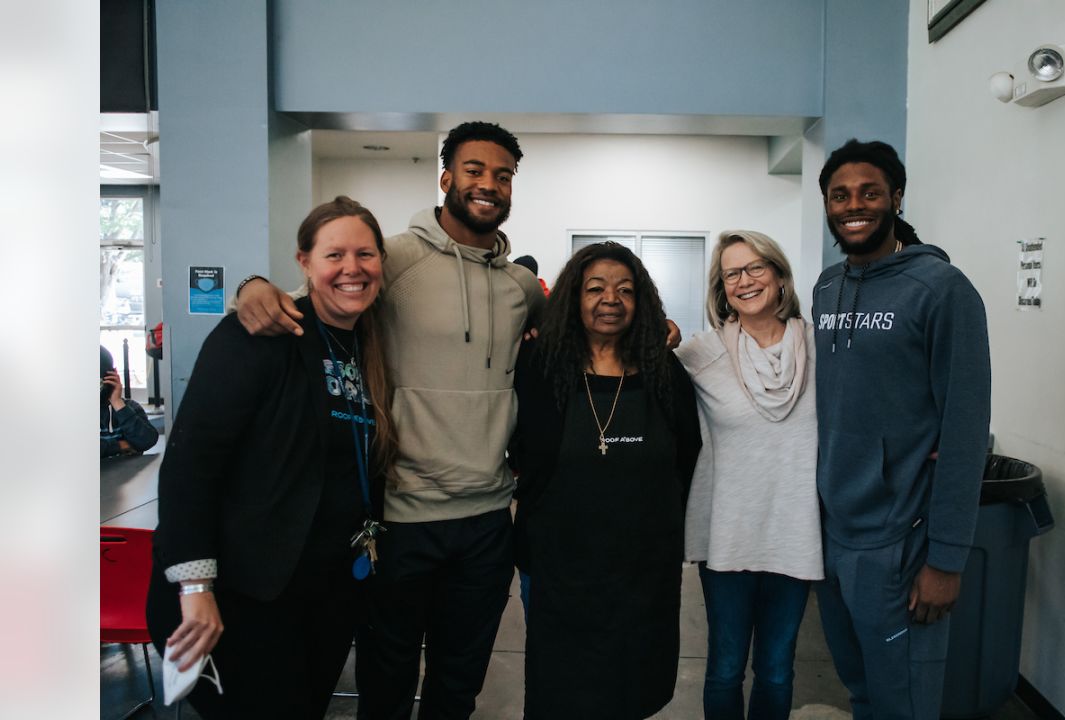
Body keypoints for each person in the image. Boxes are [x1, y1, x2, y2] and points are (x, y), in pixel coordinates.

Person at [233, 121, 545, 719]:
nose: (489, 184)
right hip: (399, 516)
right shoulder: (394, 258)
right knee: (387, 676)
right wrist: (250, 286)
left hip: (486, 520)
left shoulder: (522, 287)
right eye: (475, 170)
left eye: (502, 175)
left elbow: (570, 339)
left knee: (460, 679)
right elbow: (314, 296)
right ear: (446, 177)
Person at [145, 196, 398, 718]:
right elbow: (192, 465)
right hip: (246, 594)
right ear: (304, 262)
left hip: (326, 593)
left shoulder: (367, 346)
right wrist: (196, 586)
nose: (352, 268)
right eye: (335, 255)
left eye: (366, 254)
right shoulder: (258, 334)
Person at [810, 138, 991, 720]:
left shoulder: (942, 289)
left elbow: (965, 430)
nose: (853, 205)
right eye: (840, 195)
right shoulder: (825, 287)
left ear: (896, 198)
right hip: (833, 535)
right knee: (861, 691)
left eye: (869, 192)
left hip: (901, 541)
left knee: (904, 705)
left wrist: (946, 560)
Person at [509, 241, 701, 719]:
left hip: (643, 572)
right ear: (574, 298)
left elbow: (688, 455)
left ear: (642, 303)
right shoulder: (540, 368)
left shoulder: (664, 373)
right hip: (558, 570)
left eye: (624, 290)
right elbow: (520, 453)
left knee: (630, 691)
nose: (610, 299)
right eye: (595, 288)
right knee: (560, 693)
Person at [673, 230, 822, 720]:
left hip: (795, 533)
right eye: (732, 272)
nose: (745, 280)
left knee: (778, 670)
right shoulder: (701, 354)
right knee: (725, 667)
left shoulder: (823, 348)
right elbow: (631, 372)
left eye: (756, 267)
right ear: (722, 287)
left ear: (780, 276)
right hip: (727, 537)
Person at [100, 345, 159, 458]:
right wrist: (120, 446)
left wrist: (117, 403)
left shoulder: (129, 407)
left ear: (114, 375)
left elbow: (147, 441)